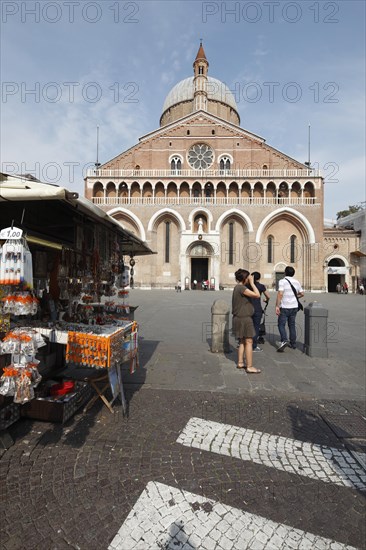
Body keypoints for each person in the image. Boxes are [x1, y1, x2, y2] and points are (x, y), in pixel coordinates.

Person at [232, 269, 261, 373]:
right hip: (244, 318)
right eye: (248, 277)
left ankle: (240, 362)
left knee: (242, 341)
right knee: (249, 341)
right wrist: (253, 283)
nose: (250, 279)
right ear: (245, 278)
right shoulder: (241, 288)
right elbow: (257, 295)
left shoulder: (237, 287)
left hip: (238, 317)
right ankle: (249, 366)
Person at [275, 266, 304, 352]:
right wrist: (294, 296)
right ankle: (293, 343)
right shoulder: (296, 281)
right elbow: (302, 294)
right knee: (292, 325)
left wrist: (277, 306)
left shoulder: (282, 281)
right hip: (294, 306)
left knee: (281, 324)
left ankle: (284, 340)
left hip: (285, 306)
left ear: (285, 273)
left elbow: (280, 294)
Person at [250, 272, 270, 352]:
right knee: (256, 327)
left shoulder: (248, 286)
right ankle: (254, 346)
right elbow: (268, 296)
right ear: (259, 278)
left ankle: (244, 343)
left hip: (248, 309)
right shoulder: (261, 286)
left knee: (248, 326)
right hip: (257, 309)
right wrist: (266, 300)